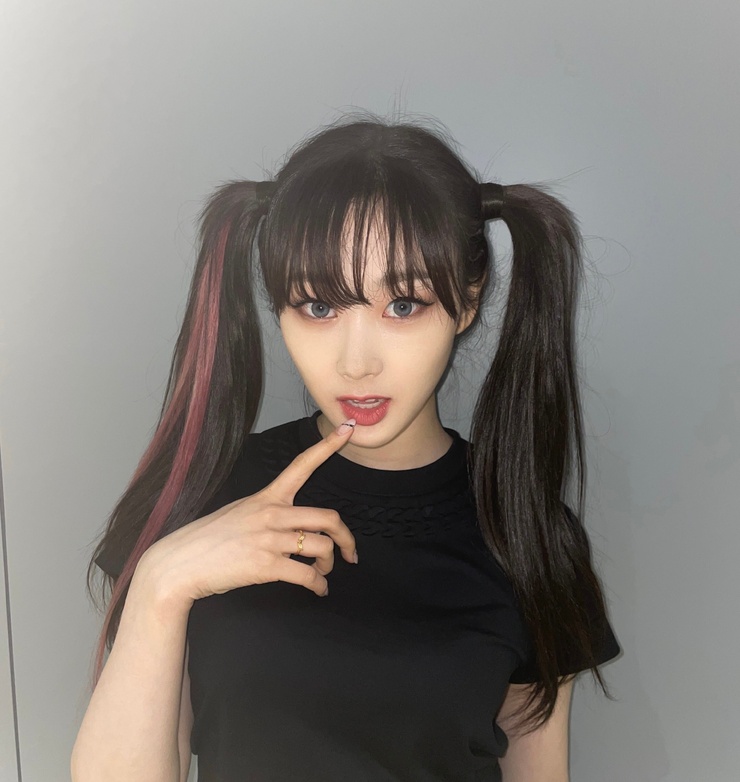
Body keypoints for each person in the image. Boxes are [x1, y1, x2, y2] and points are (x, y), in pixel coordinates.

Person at [72, 112, 621, 781]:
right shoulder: (202, 494)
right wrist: (163, 580)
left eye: (404, 305)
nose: (357, 363)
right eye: (318, 307)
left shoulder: (526, 529)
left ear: (468, 302)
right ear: (278, 308)